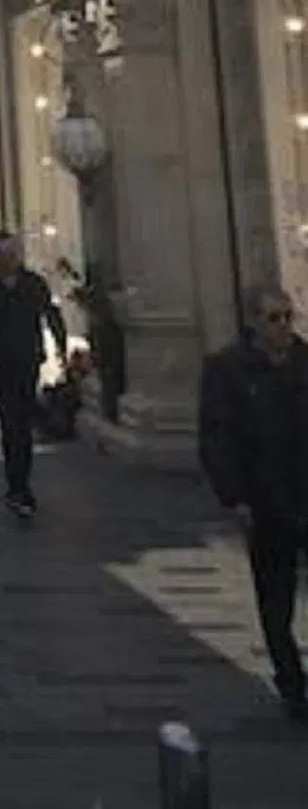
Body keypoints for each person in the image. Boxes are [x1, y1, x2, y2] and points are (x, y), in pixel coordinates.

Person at [200, 285, 308, 721]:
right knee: (276, 597)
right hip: (266, 499)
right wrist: (235, 496)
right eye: (273, 318)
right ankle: (292, 682)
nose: (283, 327)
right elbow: (217, 437)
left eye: (288, 317)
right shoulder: (227, 370)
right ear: (252, 323)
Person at [0, 232, 67, 517]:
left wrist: (61, 346)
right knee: (10, 423)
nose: (7, 260)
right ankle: (16, 485)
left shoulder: (34, 284)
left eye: (11, 255)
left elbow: (51, 314)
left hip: (27, 361)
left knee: (23, 423)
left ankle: (22, 483)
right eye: (2, 256)